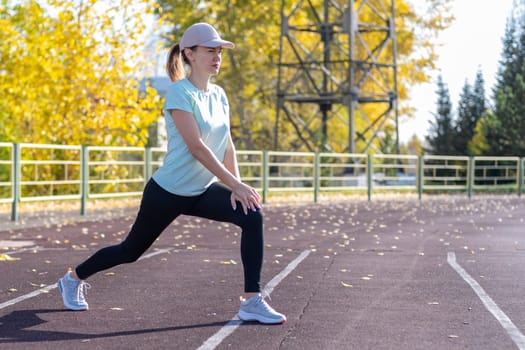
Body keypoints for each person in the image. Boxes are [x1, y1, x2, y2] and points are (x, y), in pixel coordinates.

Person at [57, 22, 286, 325]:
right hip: (168, 191)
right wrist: (234, 183)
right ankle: (73, 278)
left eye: (219, 51)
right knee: (130, 251)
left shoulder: (219, 95)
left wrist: (237, 186)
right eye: (210, 50)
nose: (217, 56)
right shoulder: (180, 93)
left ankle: (251, 301)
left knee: (251, 214)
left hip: (201, 191)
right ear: (189, 54)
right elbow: (198, 148)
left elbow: (226, 143)